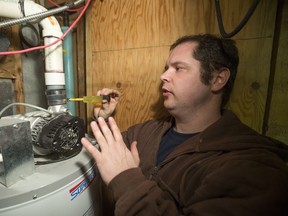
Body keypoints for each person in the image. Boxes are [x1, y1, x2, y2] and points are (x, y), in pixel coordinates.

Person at [81, 34, 288, 216]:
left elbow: (121, 173)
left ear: (218, 79)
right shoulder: (145, 133)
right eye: (166, 68)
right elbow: (104, 154)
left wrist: (126, 180)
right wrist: (103, 119)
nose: (163, 76)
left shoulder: (252, 168)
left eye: (178, 68)